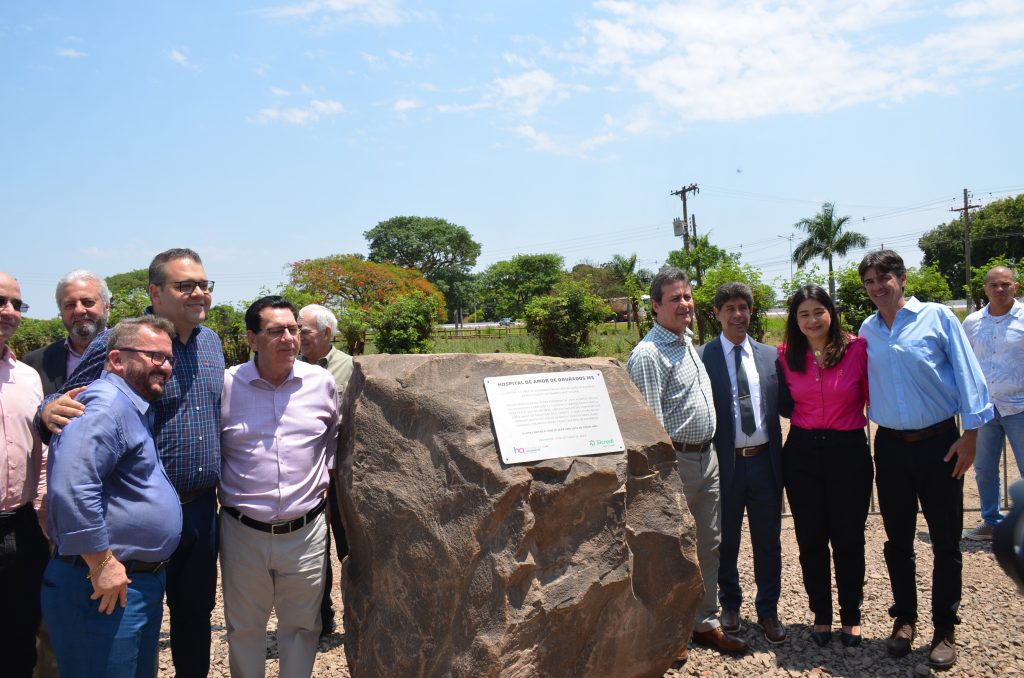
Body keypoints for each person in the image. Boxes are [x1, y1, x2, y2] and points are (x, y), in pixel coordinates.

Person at [39, 248, 224, 677]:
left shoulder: (212, 343)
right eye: (185, 285)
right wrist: (46, 411)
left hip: (198, 510)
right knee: (126, 615)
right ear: (156, 293)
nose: (199, 293)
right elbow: (75, 397)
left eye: (204, 284)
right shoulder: (121, 340)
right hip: (129, 512)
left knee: (193, 615)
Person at [858, 249, 993, 670]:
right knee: (898, 539)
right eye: (870, 282)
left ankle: (945, 627)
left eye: (885, 279)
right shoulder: (868, 329)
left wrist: (971, 437)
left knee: (946, 540)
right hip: (892, 447)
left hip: (940, 443)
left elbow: (969, 375)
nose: (878, 288)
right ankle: (905, 620)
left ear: (902, 278)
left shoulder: (937, 317)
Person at [41, 316, 183, 678]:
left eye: (168, 358)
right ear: (117, 359)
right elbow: (72, 486)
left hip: (128, 583)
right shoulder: (104, 407)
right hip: (99, 583)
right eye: (153, 356)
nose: (164, 366)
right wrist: (102, 563)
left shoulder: (129, 405)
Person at [627, 267, 747, 660]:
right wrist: (663, 479)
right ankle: (669, 633)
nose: (685, 304)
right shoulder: (649, 354)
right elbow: (651, 428)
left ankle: (704, 621)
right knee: (669, 551)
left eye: (688, 296)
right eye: (675, 298)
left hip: (706, 458)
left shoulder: (685, 343)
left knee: (709, 544)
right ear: (656, 306)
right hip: (675, 463)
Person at [220, 296, 339, 678]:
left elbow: (334, 442)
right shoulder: (225, 385)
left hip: (305, 531)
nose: (288, 338)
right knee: (245, 629)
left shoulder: (321, 382)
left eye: (293, 329)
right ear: (252, 339)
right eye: (276, 331)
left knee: (304, 628)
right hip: (243, 531)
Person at [776, 285, 871, 647]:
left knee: (848, 538)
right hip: (801, 454)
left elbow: (873, 397)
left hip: (848, 452)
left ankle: (851, 614)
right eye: (803, 314)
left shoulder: (857, 349)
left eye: (818, 311)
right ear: (795, 320)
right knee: (810, 538)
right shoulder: (785, 356)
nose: (812, 320)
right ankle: (821, 614)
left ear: (831, 312)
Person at [698, 282, 786, 644]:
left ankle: (768, 609)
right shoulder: (703, 357)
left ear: (751, 312)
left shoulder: (770, 356)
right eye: (730, 308)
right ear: (717, 314)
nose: (738, 315)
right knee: (726, 540)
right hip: (725, 465)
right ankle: (729, 603)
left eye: (743, 308)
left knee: (768, 540)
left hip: (765, 462)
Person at [0, 272, 49, 678]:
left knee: (19, 642)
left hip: (21, 527)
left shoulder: (27, 377)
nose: (9, 311)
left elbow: (42, 453)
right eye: (1, 301)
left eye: (17, 304)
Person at [297, 304, 353, 640]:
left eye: (303, 331)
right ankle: (321, 617)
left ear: (326, 333)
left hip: (345, 475)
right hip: (309, 474)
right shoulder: (290, 367)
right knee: (315, 550)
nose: (297, 337)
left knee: (349, 546)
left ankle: (359, 613)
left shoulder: (351, 367)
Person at [961, 265, 1024, 541]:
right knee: (985, 468)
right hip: (985, 408)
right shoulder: (972, 322)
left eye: (1005, 284)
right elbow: (964, 362)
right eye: (994, 285)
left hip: (1020, 406)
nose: (1000, 289)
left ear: (1016, 287)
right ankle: (992, 522)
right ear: (985, 289)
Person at [24, 270, 111, 394]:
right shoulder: (35, 362)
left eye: (88, 302)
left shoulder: (130, 353)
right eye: (70, 305)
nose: (79, 310)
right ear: (61, 311)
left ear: (106, 306)